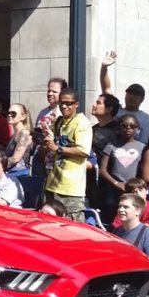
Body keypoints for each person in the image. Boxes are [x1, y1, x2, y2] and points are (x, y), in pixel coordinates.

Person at [42, 87, 92, 222]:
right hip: (52, 183)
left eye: (69, 103)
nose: (64, 106)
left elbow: (83, 151)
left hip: (71, 188)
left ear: (76, 104)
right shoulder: (58, 121)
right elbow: (51, 146)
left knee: (71, 225)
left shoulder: (82, 122)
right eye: (62, 103)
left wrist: (57, 148)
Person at [98, 114, 145, 224]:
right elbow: (102, 170)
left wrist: (137, 187)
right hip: (113, 191)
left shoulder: (142, 147)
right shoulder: (111, 146)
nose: (128, 129)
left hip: (133, 190)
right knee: (112, 221)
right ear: (119, 127)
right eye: (125, 126)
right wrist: (116, 183)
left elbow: (144, 171)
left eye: (132, 126)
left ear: (137, 128)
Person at [100, 51, 149, 143]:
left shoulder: (145, 118)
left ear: (142, 99)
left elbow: (144, 143)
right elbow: (106, 88)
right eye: (129, 93)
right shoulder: (117, 110)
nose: (132, 97)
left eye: (136, 94)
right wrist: (104, 67)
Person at [114, 193, 149, 267]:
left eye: (126, 207)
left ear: (138, 211)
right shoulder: (116, 232)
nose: (121, 210)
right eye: (119, 206)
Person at [4, 103, 32, 176]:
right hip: (12, 173)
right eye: (8, 113)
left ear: (23, 116)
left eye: (13, 113)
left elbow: (16, 158)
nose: (9, 115)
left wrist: (0, 166)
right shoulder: (14, 135)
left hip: (20, 175)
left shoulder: (24, 134)